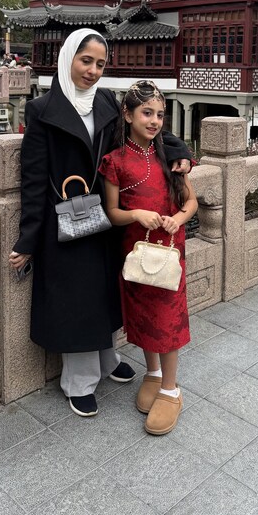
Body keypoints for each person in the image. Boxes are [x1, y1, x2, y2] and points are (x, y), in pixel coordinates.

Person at [8, 28, 192, 418]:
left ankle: (107, 361)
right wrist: (27, 240)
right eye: (85, 60)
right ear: (68, 58)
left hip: (110, 214)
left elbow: (149, 129)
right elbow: (34, 177)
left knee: (106, 293)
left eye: (99, 63)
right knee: (76, 298)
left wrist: (181, 153)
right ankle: (79, 381)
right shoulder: (43, 110)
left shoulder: (107, 101)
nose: (92, 70)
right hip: (70, 218)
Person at [100, 81, 197, 435]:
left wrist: (179, 219)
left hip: (170, 249)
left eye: (160, 114)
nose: (155, 121)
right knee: (142, 316)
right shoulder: (115, 162)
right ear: (127, 115)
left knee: (166, 317)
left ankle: (171, 390)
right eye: (146, 113)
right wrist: (136, 214)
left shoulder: (170, 153)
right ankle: (153, 373)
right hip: (136, 250)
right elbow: (112, 212)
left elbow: (191, 201)